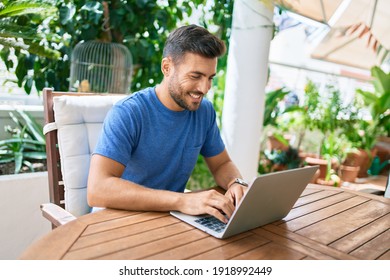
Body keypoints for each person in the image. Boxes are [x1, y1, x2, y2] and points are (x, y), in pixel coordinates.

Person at [87, 24, 247, 223]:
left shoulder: (204, 112)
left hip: (167, 220)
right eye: (195, 76)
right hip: (115, 222)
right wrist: (182, 200)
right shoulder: (129, 113)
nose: (204, 88)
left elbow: (222, 163)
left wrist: (236, 182)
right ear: (167, 67)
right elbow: (97, 189)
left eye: (210, 78)